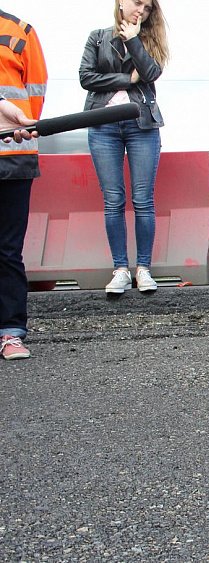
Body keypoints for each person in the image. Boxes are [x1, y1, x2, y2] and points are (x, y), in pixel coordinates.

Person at [79, 0, 169, 295]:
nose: (140, 11)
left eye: (146, 7)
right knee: (113, 199)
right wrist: (127, 79)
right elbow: (86, 78)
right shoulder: (97, 37)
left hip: (141, 124)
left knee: (143, 199)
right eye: (136, 3)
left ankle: (143, 269)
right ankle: (120, 269)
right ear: (121, 2)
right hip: (103, 124)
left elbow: (151, 73)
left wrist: (133, 39)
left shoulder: (150, 40)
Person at [0, 9, 47, 361]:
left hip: (13, 153)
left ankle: (10, 331)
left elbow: (35, 90)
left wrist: (25, 122)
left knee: (7, 249)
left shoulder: (20, 30)